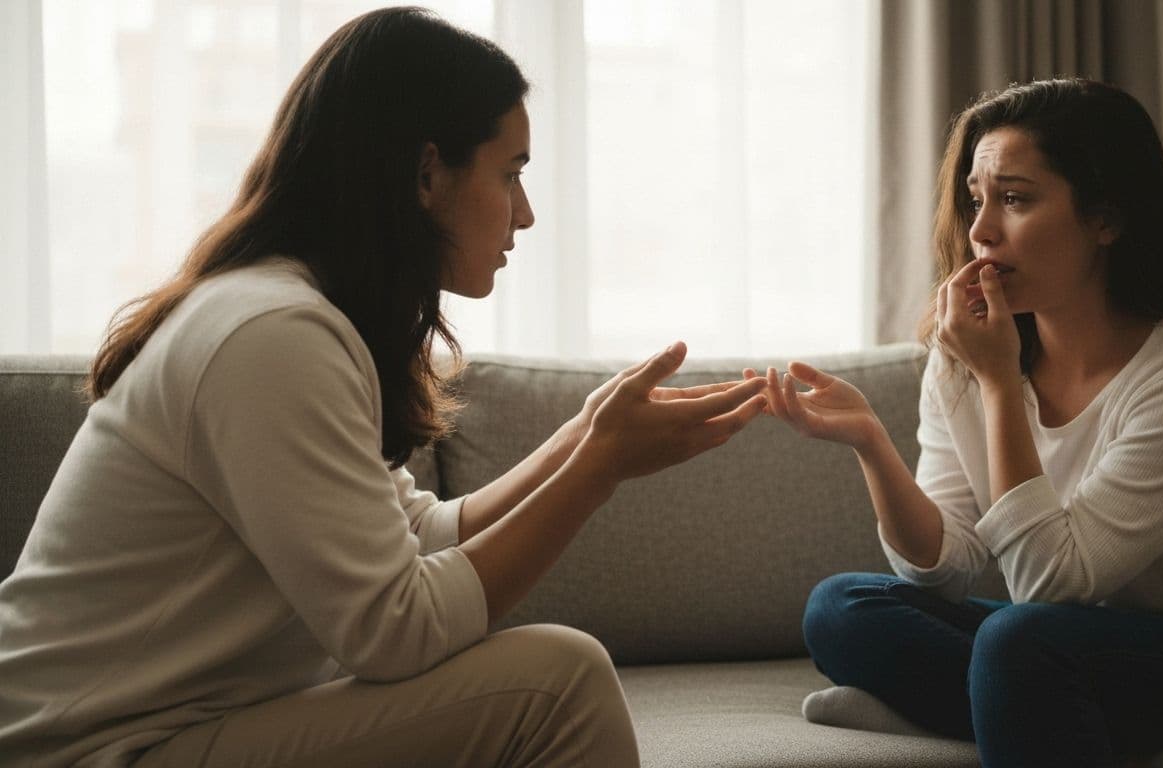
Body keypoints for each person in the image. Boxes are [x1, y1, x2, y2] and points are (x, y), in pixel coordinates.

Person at [0, 7, 768, 767]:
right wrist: (598, 470)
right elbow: (397, 632)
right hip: (88, 750)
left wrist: (581, 440)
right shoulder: (272, 336)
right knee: (557, 682)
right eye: (510, 175)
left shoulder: (295, 314)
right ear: (427, 173)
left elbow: (416, 536)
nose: (525, 215)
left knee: (555, 677)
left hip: (161, 732)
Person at [752, 78, 1163, 767]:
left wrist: (1002, 383)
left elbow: (1050, 584)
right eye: (977, 200)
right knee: (842, 608)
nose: (980, 231)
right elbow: (946, 570)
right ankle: (1125, 744)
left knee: (1022, 641)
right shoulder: (964, 360)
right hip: (1079, 642)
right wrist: (871, 444)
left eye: (1015, 199)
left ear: (1106, 218)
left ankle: (973, 714)